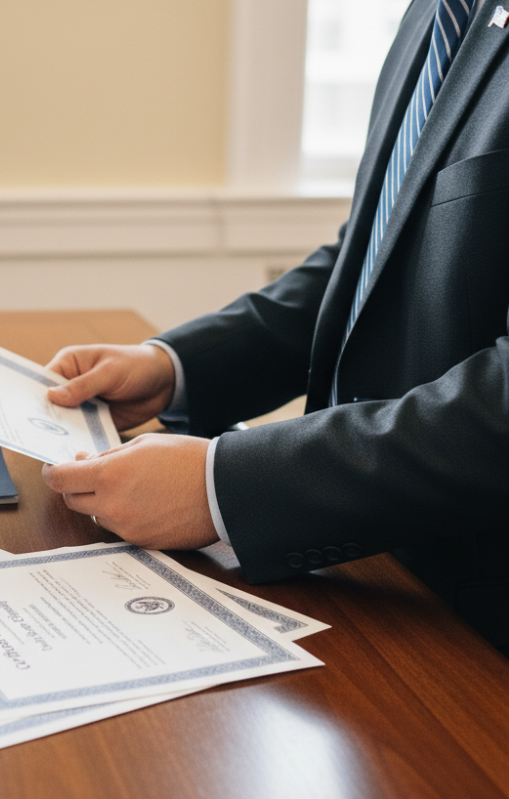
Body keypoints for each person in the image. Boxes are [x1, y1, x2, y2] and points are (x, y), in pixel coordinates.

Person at [41, 0, 508, 657]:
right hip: (377, 590)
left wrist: (222, 487)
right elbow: (374, 259)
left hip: (475, 633)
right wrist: (178, 366)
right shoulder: (440, 12)